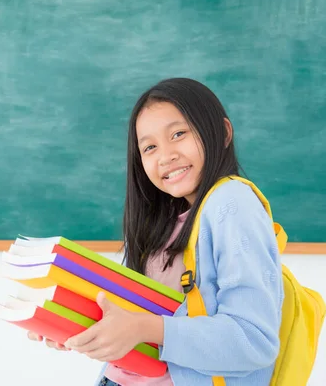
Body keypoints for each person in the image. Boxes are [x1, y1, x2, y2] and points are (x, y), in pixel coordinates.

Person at [28, 78, 284, 386]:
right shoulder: (162, 222)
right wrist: (72, 325)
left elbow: (252, 341)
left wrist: (143, 329)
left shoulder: (231, 202)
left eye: (178, 134)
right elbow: (130, 317)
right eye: (149, 147)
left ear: (224, 133)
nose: (165, 156)